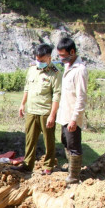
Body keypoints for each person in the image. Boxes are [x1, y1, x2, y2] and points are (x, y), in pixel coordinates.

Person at [17, 43, 62, 175]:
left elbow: (56, 96)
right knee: (30, 140)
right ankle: (27, 165)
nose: (39, 62)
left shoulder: (55, 73)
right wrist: (22, 104)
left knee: (49, 140)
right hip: (31, 110)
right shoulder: (32, 69)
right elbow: (27, 88)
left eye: (41, 60)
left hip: (45, 112)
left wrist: (52, 115)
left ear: (49, 58)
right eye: (37, 59)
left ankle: (48, 166)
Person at [56, 37, 88, 185]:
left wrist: (74, 119)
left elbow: (81, 97)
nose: (61, 58)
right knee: (66, 142)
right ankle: (71, 169)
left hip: (72, 116)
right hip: (64, 114)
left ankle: (74, 176)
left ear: (72, 51)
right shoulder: (68, 67)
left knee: (74, 145)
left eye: (63, 55)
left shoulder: (80, 70)